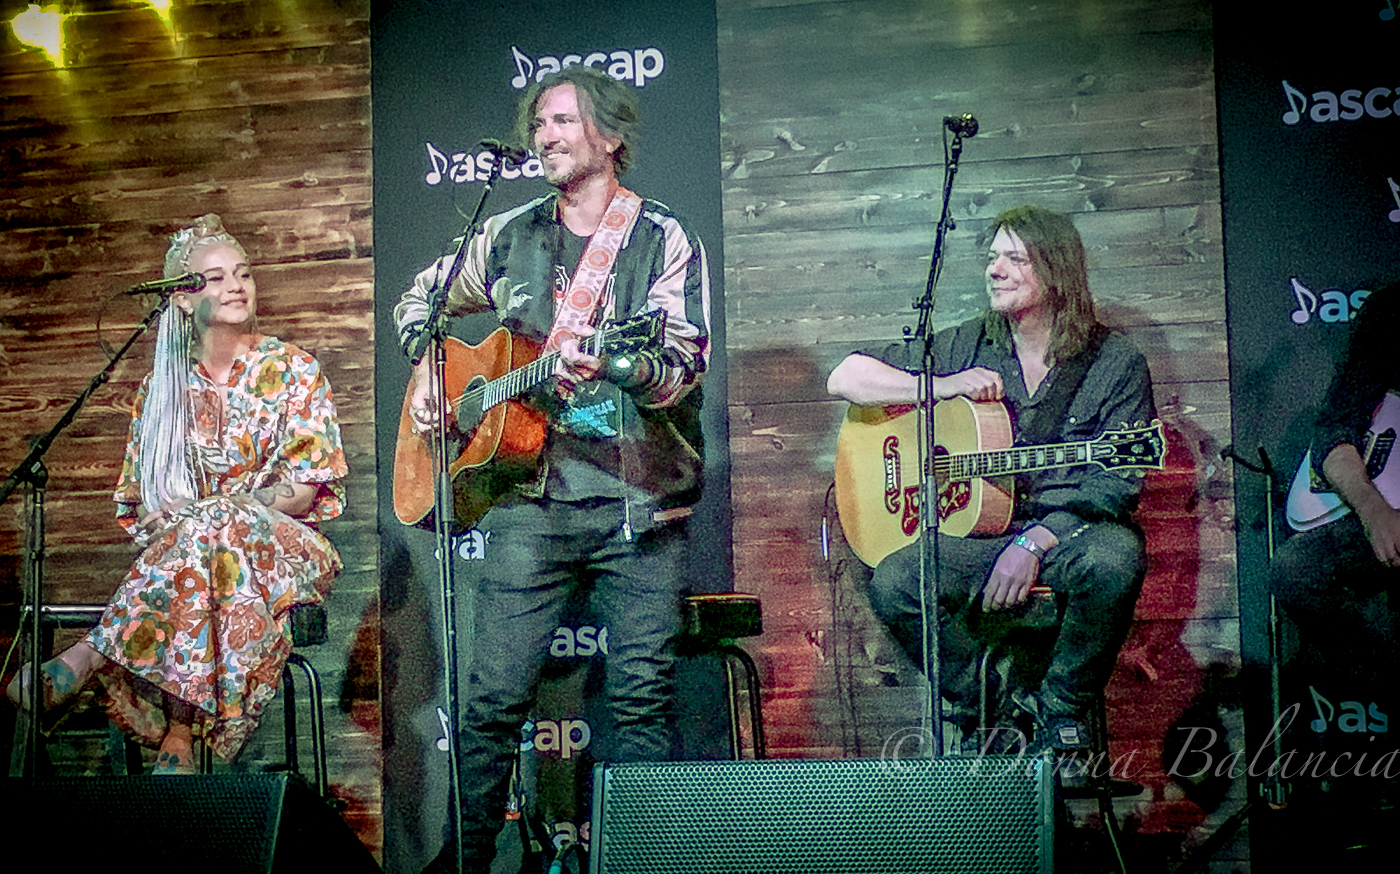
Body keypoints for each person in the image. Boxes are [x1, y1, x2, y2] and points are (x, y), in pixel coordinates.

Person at [394, 65, 710, 872]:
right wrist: (433, 370)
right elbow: (418, 302)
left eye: (564, 120)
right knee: (490, 702)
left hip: (635, 500)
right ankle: (462, 863)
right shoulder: (508, 233)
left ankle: (645, 861)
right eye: (539, 123)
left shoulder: (661, 238)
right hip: (528, 501)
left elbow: (680, 365)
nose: (545, 136)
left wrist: (617, 367)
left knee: (638, 703)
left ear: (609, 135)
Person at [5, 214, 347, 773]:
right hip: (195, 561)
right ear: (183, 300)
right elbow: (141, 503)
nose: (236, 286)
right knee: (203, 548)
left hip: (287, 552)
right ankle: (180, 739)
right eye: (214, 278)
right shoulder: (162, 385)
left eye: (243, 274)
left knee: (212, 527)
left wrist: (220, 509)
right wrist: (171, 515)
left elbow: (303, 493)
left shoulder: (293, 369)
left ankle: (91, 655)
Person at [827, 204, 1154, 753]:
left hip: (1065, 534)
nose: (995, 270)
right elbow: (846, 377)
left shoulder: (1114, 361)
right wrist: (940, 386)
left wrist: (1032, 541)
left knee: (1116, 558)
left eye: (1015, 258)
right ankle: (987, 708)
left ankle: (1062, 711)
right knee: (896, 581)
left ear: (1056, 271)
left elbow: (1117, 482)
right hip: (977, 536)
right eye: (993, 256)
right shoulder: (966, 345)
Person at [1272, 281, 1400, 709]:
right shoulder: (1391, 307)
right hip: (1387, 511)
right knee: (1295, 568)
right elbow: (1334, 429)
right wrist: (1373, 509)